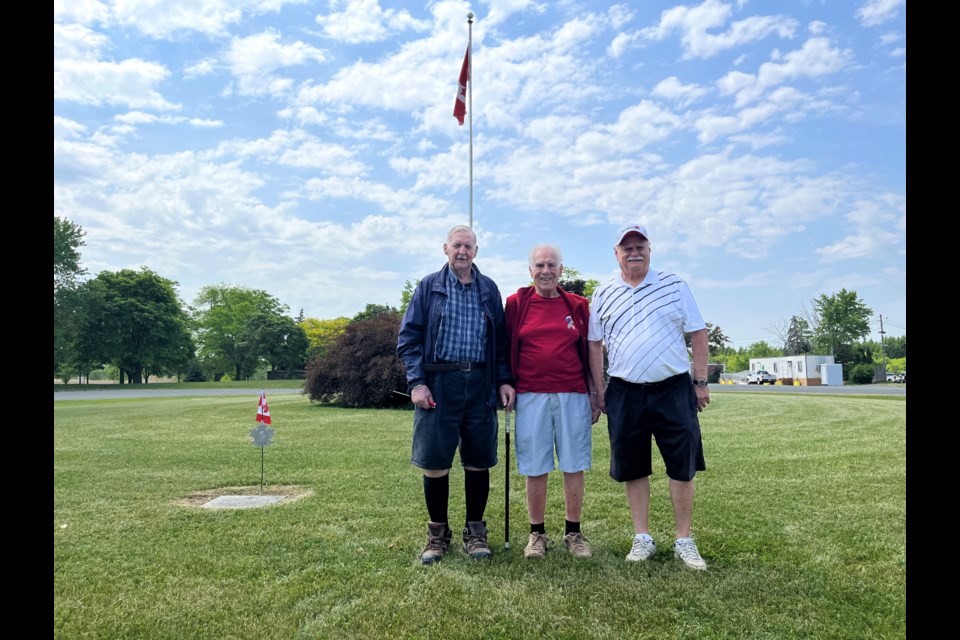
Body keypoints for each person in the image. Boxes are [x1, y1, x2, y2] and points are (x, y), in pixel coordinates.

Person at [588, 223, 711, 570]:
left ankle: (684, 539)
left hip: (673, 388)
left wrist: (699, 382)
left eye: (639, 245)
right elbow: (594, 344)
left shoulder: (674, 285)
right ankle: (642, 537)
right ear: (616, 254)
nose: (634, 252)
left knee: (682, 464)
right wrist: (599, 390)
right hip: (625, 390)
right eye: (626, 247)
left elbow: (698, 332)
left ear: (649, 249)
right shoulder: (603, 293)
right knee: (632, 465)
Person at [397, 224, 516, 564]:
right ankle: (438, 534)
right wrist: (417, 382)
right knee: (435, 462)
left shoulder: (488, 289)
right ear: (445, 249)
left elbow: (501, 344)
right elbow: (409, 338)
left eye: (468, 246)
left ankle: (475, 532)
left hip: (480, 383)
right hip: (439, 384)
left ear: (476, 251)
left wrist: (504, 381)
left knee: (478, 461)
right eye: (456, 246)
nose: (462, 251)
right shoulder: (429, 287)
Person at [505, 244, 601, 559]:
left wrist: (595, 392)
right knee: (535, 465)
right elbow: (504, 349)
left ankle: (573, 532)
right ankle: (537, 535)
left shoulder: (578, 305)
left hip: (572, 393)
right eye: (539, 265)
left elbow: (590, 350)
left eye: (552, 265)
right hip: (531, 394)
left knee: (574, 464)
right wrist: (505, 382)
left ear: (561, 270)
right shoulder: (517, 304)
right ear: (530, 270)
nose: (545, 271)